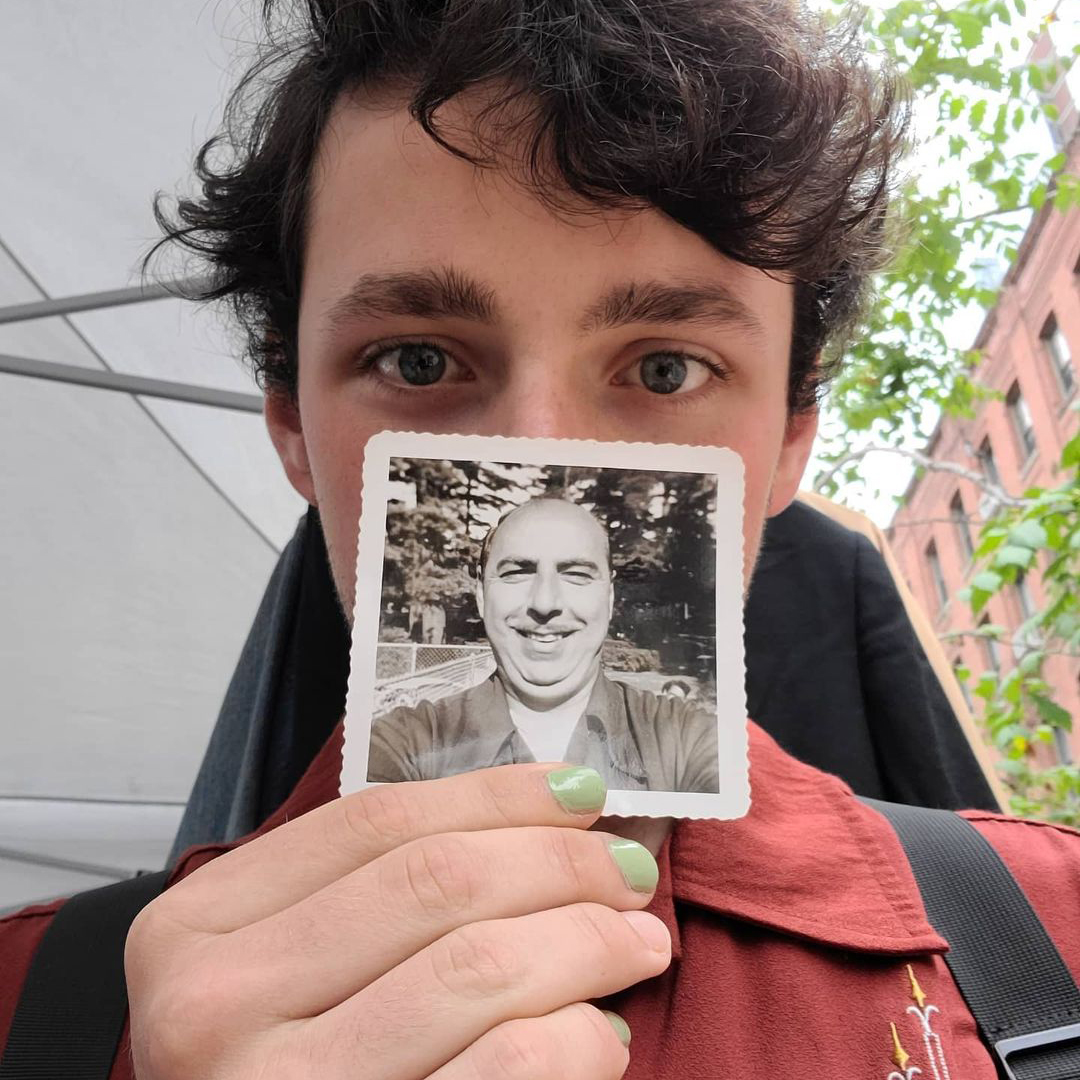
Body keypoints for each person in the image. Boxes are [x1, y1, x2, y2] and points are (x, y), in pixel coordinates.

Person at [2, 0, 1077, 1077]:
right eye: (418, 361)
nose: (535, 465)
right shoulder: (35, 1011)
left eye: (666, 370)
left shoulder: (1054, 944)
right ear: (293, 425)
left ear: (792, 442)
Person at [368, 497, 720, 791]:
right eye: (517, 572)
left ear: (610, 599)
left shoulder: (690, 739)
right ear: (481, 596)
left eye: (577, 574)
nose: (545, 601)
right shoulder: (402, 743)